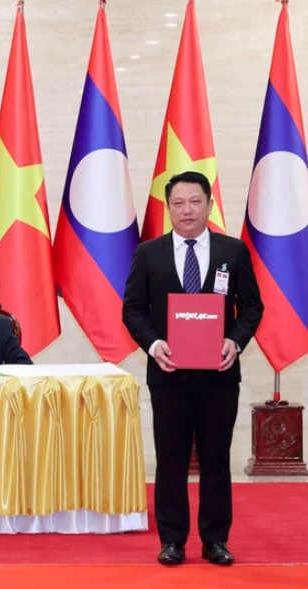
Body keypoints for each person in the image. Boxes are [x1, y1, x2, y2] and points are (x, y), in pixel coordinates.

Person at [122, 171, 263, 567]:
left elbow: (252, 306)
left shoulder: (232, 251)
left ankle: (216, 540)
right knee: (171, 458)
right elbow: (132, 309)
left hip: (219, 375)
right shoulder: (148, 253)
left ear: (210, 205)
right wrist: (153, 344)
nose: (187, 209)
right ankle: (172, 540)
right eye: (178, 203)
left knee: (217, 457)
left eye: (195, 201)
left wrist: (234, 341)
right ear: (168, 208)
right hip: (168, 375)